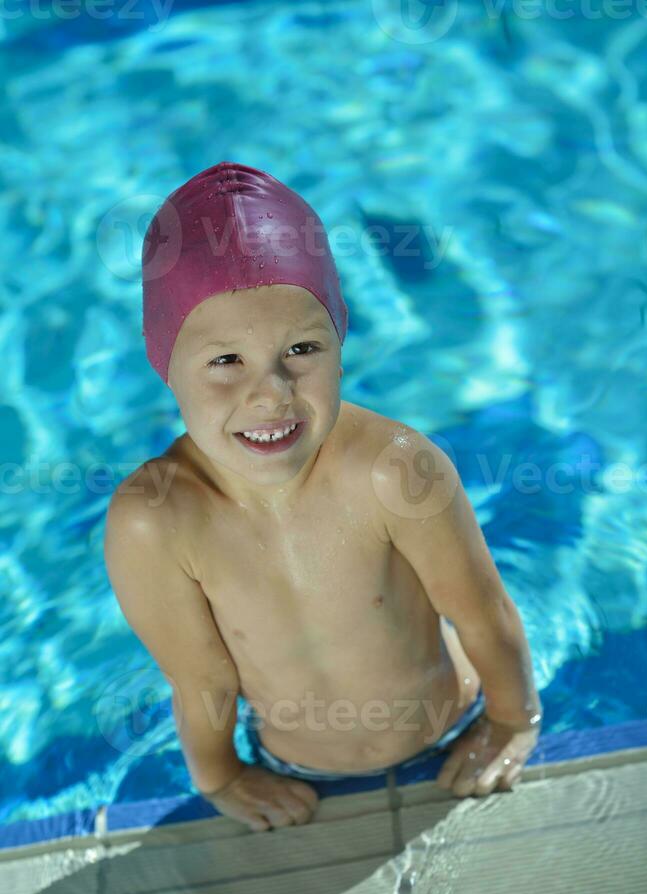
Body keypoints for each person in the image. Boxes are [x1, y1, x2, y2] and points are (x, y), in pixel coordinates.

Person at [104, 161, 543, 833]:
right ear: (164, 362)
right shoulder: (157, 520)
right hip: (292, 768)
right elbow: (201, 680)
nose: (271, 393)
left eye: (302, 349)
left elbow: (482, 612)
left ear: (341, 341)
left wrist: (513, 719)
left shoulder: (396, 469)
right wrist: (221, 778)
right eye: (225, 362)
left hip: (455, 724)